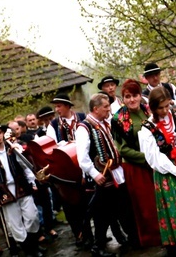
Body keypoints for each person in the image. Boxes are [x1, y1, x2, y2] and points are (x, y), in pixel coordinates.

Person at [76, 93, 137, 257]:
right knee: (102, 213)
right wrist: (95, 175)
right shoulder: (84, 128)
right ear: (95, 109)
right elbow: (82, 158)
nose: (109, 109)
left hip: (115, 173)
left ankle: (131, 238)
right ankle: (98, 247)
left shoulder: (105, 123)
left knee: (122, 206)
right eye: (105, 107)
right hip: (102, 177)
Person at [138, 87, 176, 255]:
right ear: (153, 107)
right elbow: (154, 158)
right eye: (160, 107)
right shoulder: (147, 128)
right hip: (168, 174)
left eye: (167, 106)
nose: (165, 110)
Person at [111, 79, 162, 248]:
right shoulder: (118, 119)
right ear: (123, 98)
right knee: (146, 204)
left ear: (141, 96)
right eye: (127, 96)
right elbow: (123, 149)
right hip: (135, 166)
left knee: (160, 199)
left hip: (156, 161)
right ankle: (152, 238)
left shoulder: (148, 110)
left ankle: (167, 234)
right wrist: (147, 158)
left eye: (135, 95)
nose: (132, 100)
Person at [0, 123, 41, 257]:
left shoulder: (14, 148)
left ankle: (33, 245)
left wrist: (32, 181)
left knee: (32, 217)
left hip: (21, 186)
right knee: (15, 225)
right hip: (5, 191)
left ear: (3, 133)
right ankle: (30, 251)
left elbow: (26, 166)